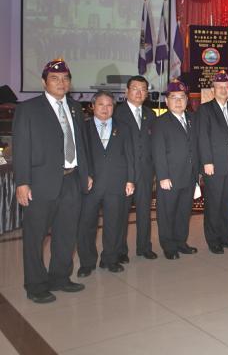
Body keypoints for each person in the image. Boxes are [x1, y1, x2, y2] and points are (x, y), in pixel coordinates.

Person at [13, 59, 89, 303]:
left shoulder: (75, 107)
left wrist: (86, 173)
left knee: (66, 233)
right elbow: (21, 147)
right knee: (35, 236)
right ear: (44, 82)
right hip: (40, 182)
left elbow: (81, 143)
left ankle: (60, 277)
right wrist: (22, 182)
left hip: (71, 179)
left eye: (65, 78)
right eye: (55, 78)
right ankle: (35, 284)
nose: (61, 82)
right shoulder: (28, 109)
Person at [77, 91, 135, 277]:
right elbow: (79, 155)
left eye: (109, 105)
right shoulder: (83, 128)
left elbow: (130, 155)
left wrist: (130, 179)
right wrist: (84, 176)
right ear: (92, 106)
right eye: (101, 104)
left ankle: (110, 259)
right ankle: (87, 263)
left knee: (114, 224)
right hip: (90, 184)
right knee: (86, 225)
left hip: (116, 183)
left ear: (114, 108)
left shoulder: (124, 128)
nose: (105, 108)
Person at [152, 80, 199, 260]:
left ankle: (181, 242)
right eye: (174, 97)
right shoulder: (161, 122)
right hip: (170, 177)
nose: (178, 101)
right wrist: (163, 176)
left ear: (187, 100)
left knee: (183, 212)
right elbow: (158, 151)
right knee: (167, 213)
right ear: (167, 101)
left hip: (189, 175)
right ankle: (169, 246)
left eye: (182, 97)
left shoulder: (192, 119)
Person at [197, 71, 228, 254]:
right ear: (213, 90)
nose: (223, 90)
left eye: (226, 87)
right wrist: (207, 161)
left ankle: (225, 237)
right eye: (219, 87)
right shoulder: (205, 109)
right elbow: (203, 137)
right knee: (213, 204)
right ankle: (213, 240)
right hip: (213, 164)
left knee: (227, 203)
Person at [114, 76, 157, 260]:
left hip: (146, 171)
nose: (139, 92)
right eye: (135, 88)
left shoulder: (151, 114)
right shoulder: (117, 113)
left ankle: (144, 247)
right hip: (124, 172)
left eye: (143, 89)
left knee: (144, 211)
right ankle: (120, 251)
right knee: (121, 213)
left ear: (147, 93)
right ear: (126, 91)